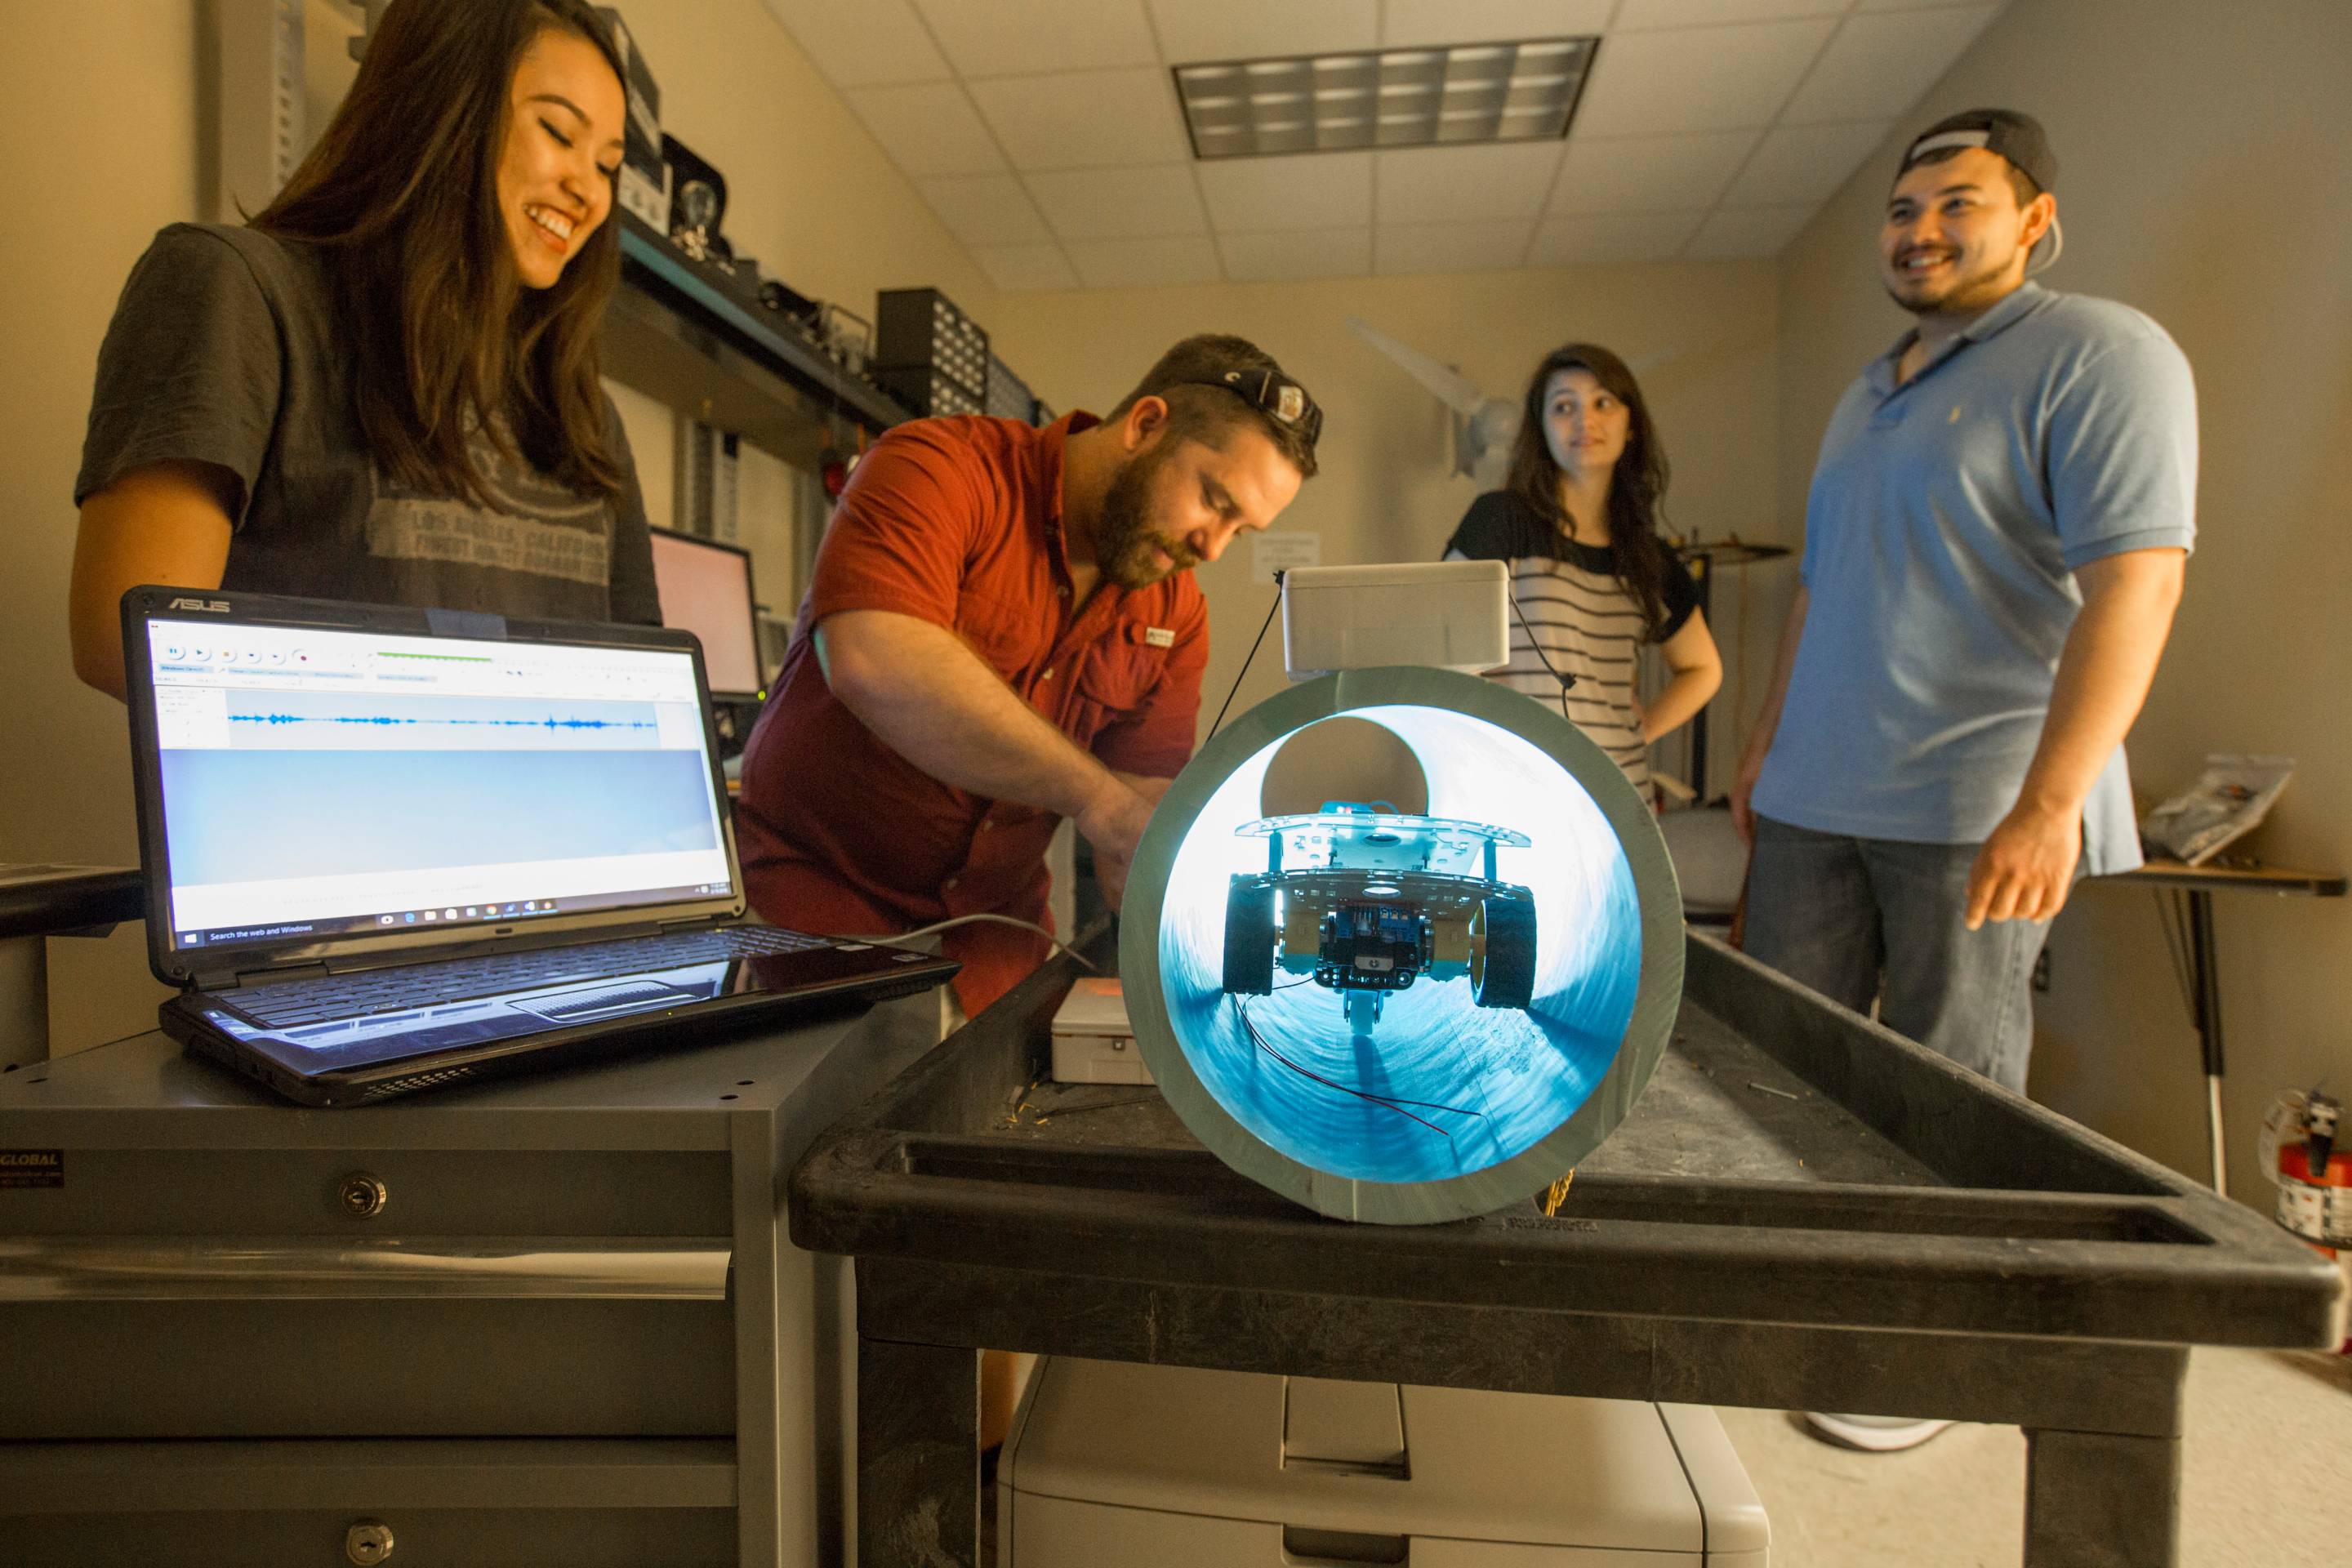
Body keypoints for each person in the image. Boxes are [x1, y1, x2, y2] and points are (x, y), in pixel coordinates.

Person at [1729, 111, 2194, 1449]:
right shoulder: (1865, 391)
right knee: (1793, 1078)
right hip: (1821, 795)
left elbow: (2138, 583)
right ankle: (1816, 1307)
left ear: (2035, 219)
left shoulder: (2104, 354)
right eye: (1903, 207)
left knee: (1952, 1087)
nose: (1920, 229)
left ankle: (1931, 1356)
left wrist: (2055, 801)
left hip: (1972, 807)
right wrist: (1765, 755)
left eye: (1959, 203)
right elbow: (1824, 593)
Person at [69, 0, 657, 702]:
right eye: (559, 132)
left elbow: (645, 679)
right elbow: (125, 640)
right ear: (442, 105)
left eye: (608, 166)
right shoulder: (242, 291)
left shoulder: (583, 412)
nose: (588, 190)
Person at [732, 335, 1319, 1022]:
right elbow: (873, 657)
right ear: (1145, 425)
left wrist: (1226, 914)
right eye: (1213, 500)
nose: (1212, 547)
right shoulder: (939, 466)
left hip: (995, 954)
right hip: (816, 928)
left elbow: (1137, 816)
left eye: (1240, 532)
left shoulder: (1177, 612)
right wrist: (1099, 800)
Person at [1444, 343, 1722, 797]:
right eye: (1563, 407)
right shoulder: (1500, 520)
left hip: (1617, 794)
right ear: (1542, 429)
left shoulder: (1648, 557)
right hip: (1509, 791)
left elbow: (1703, 669)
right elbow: (1443, 645)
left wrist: (1643, 728)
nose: (1583, 421)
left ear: (1630, 424)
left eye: (1602, 403)